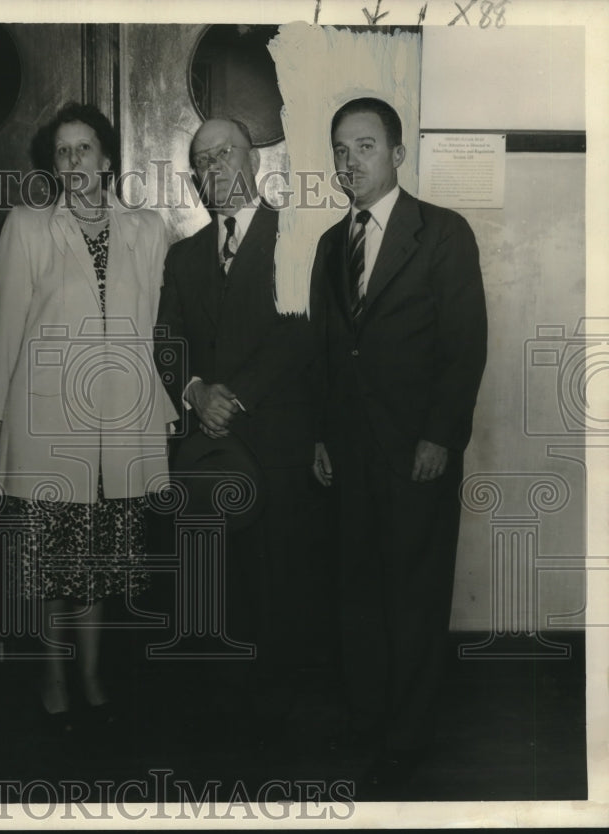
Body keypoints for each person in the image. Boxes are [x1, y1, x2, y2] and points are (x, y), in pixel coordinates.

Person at [310, 97, 488, 792]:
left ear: (397, 154)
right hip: (349, 452)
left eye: (365, 146)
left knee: (413, 594)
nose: (350, 161)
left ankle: (407, 737)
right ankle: (367, 718)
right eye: (341, 150)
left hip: (417, 450)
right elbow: (327, 350)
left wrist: (440, 437)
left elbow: (464, 347)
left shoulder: (442, 233)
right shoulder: (330, 243)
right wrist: (322, 435)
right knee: (357, 590)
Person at [0, 102, 175, 734]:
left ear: (107, 159)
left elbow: (154, 328)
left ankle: (91, 675)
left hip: (119, 419)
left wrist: (162, 410)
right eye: (63, 153)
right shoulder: (28, 226)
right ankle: (53, 673)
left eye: (84, 150)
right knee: (48, 561)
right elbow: (8, 326)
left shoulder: (147, 228)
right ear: (53, 164)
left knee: (97, 561)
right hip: (44, 420)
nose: (73, 163)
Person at [155, 118, 315, 747]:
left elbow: (300, 331)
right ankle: (219, 724)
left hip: (274, 442)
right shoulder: (184, 255)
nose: (214, 166)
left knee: (276, 584)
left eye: (226, 153)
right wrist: (194, 391)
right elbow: (166, 340)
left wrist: (235, 395)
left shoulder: (296, 236)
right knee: (211, 585)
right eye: (202, 159)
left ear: (254, 160)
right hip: (206, 450)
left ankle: (274, 728)